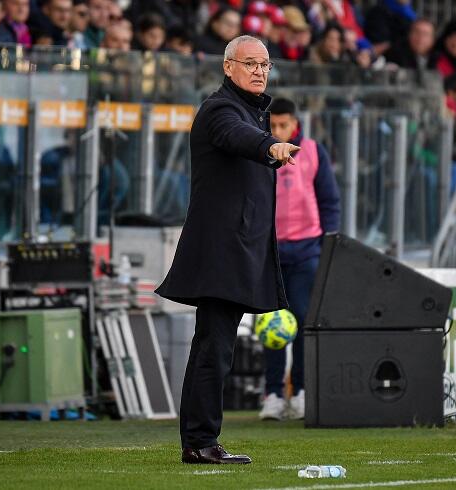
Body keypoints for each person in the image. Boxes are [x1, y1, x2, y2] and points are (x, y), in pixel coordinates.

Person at [156, 35, 299, 464]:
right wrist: (269, 145)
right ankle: (200, 443)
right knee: (214, 348)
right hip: (221, 253)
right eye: (250, 63)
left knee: (214, 347)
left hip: (236, 251)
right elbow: (236, 137)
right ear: (227, 67)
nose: (259, 71)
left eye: (265, 64)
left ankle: (201, 441)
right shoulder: (221, 109)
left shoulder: (252, 112)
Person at [258, 97, 340, 421]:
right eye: (272, 125)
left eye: (283, 125)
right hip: (272, 251)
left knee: (304, 320)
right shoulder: (261, 154)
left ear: (295, 123)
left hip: (307, 250)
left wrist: (328, 244)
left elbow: (329, 202)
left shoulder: (313, 152)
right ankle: (274, 394)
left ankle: (302, 392)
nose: (278, 131)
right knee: (272, 323)